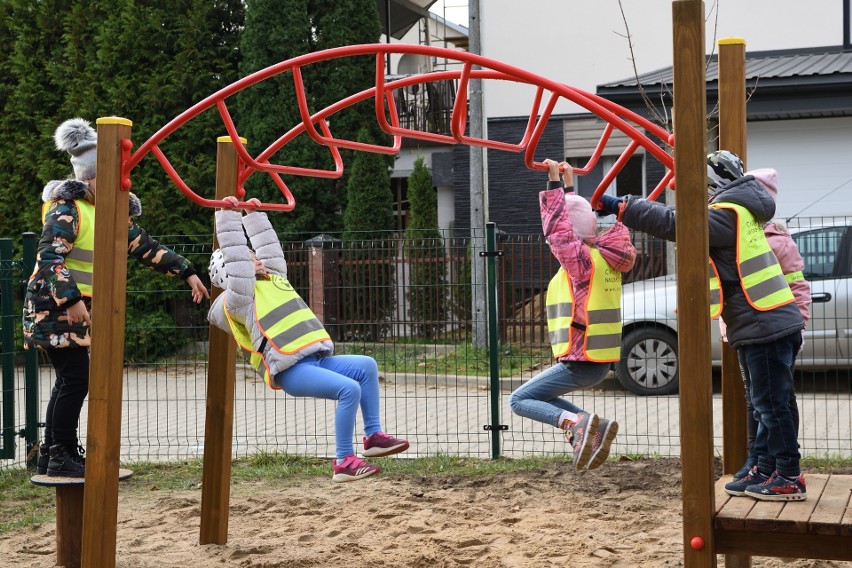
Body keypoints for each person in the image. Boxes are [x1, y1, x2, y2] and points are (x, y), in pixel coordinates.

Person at [595, 151, 807, 500]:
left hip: (764, 322)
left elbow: (677, 222)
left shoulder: (727, 215)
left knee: (772, 404)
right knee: (764, 402)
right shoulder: (742, 212)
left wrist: (623, 206)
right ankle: (766, 467)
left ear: (712, 186)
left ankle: (788, 475)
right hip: (760, 321)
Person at [24, 118, 210, 477]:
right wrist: (72, 300)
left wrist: (187, 271)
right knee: (76, 378)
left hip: (71, 308)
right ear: (89, 179)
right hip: (54, 305)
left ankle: (52, 452)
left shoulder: (109, 211)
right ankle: (60, 452)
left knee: (70, 378)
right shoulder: (68, 208)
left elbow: (146, 247)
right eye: (105, 177)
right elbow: (50, 257)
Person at [207, 195, 409, 482]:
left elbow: (271, 252)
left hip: (311, 358)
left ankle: (373, 436)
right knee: (349, 389)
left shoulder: (274, 280)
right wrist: (227, 216)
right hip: (289, 369)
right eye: (250, 258)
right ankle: (343, 462)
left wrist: (253, 216)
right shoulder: (241, 299)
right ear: (233, 270)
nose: (258, 260)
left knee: (366, 366)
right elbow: (237, 259)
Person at [509, 159, 636, 470]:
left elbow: (558, 231)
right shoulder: (602, 257)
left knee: (519, 400)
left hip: (582, 359)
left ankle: (576, 425)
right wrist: (567, 186)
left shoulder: (580, 262)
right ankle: (593, 427)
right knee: (541, 396)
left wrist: (553, 185)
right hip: (597, 357)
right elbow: (571, 223)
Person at [710, 161, 811, 480]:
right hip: (744, 329)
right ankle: (760, 460)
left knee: (773, 400)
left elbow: (796, 283)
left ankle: (779, 466)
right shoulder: (741, 231)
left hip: (772, 329)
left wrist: (800, 322)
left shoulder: (775, 238)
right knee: (757, 399)